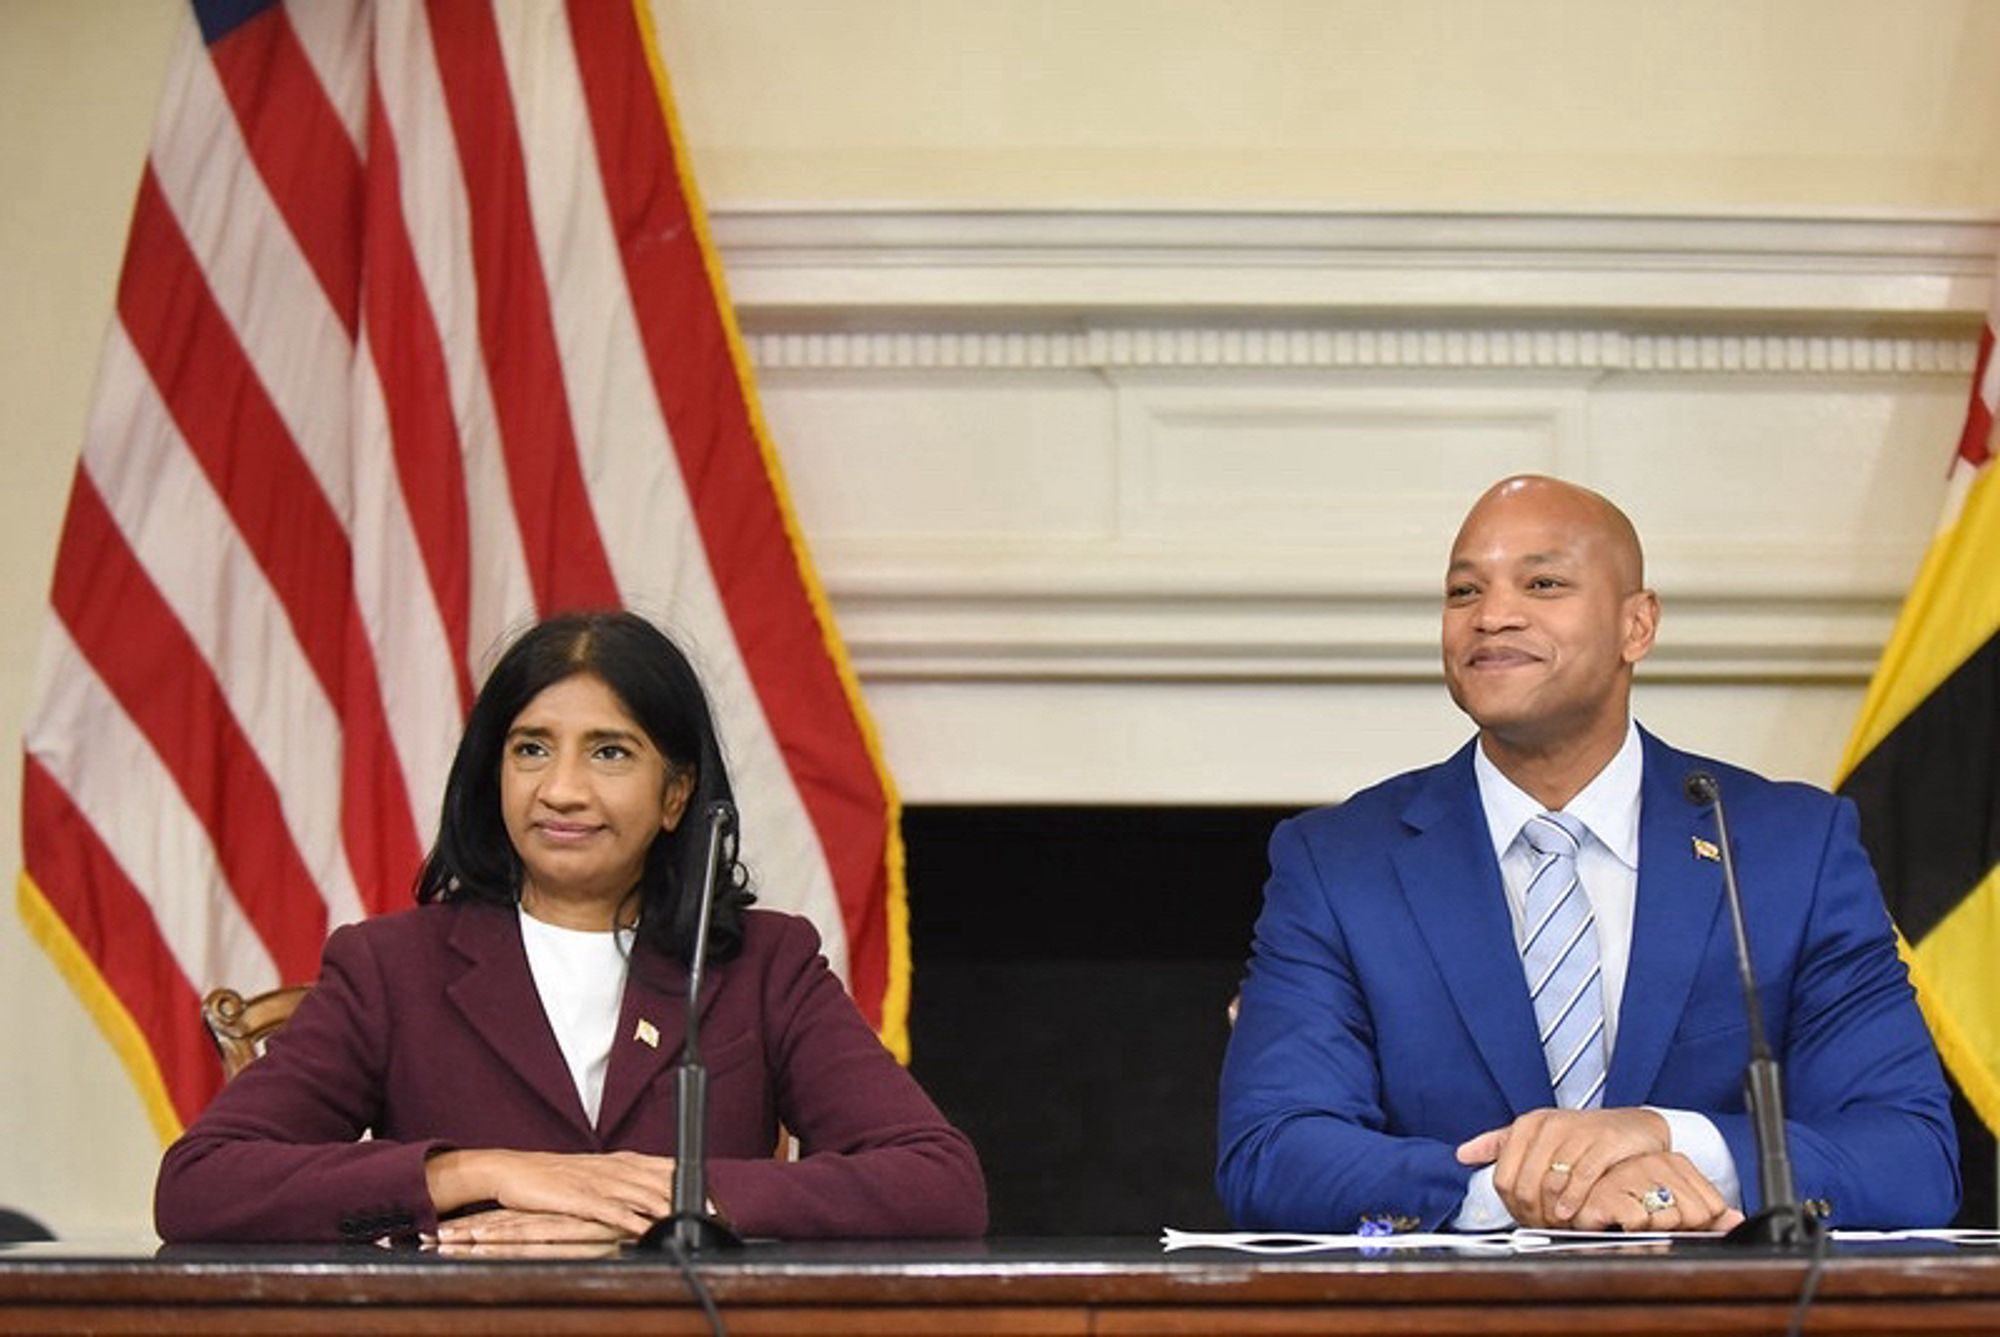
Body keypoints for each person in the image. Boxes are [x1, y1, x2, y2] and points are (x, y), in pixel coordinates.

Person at [1216, 475, 1958, 1234]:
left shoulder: (1787, 850)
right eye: (1464, 591)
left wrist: (1671, 1139)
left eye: (1543, 582)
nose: (1493, 616)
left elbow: (1910, 1155)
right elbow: (1273, 1150)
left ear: (1638, 626)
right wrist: (1520, 1189)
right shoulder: (1338, 862)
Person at [156, 611, 986, 1244]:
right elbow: (200, 1183)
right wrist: (486, 1172)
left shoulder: (762, 962)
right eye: (530, 749)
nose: (561, 789)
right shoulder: (390, 967)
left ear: (676, 794)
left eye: (610, 752)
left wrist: (662, 1199)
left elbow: (940, 1182)